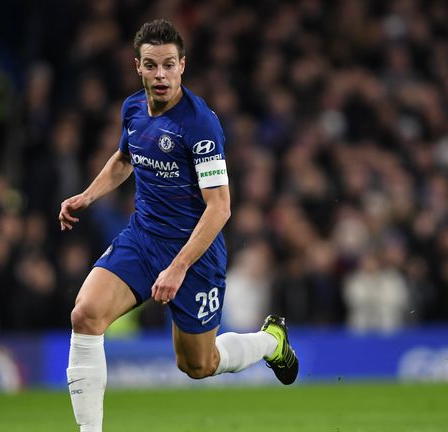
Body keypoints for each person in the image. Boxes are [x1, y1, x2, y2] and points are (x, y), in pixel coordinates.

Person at [58, 19, 299, 432]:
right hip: (142, 238)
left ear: (182, 65)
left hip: (195, 253)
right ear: (138, 66)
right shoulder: (133, 108)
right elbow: (124, 159)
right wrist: (87, 195)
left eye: (169, 64)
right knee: (86, 314)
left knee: (198, 365)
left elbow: (220, 207)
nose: (161, 75)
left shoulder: (199, 124)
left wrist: (179, 266)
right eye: (151, 65)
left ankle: (270, 342)